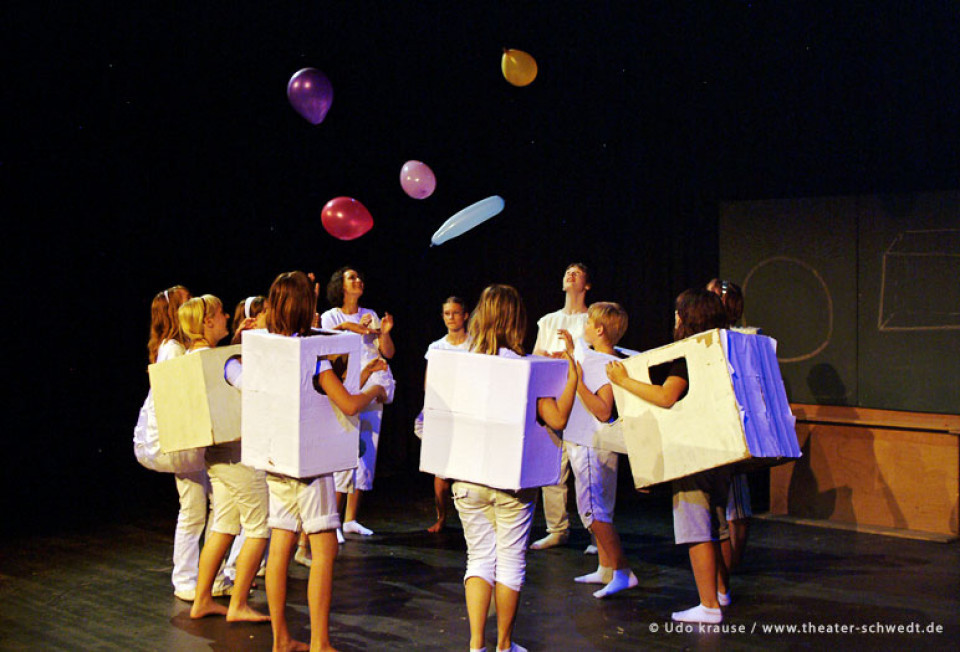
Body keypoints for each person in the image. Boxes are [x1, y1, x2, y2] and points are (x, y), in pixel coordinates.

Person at [236, 271, 386, 652]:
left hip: (276, 462)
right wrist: (375, 388)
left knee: (281, 546)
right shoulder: (313, 357)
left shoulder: (266, 349)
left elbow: (237, 375)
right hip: (311, 468)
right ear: (307, 307)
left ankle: (281, 638)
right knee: (323, 552)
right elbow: (349, 404)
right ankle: (319, 642)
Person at [440, 284, 578, 652]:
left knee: (479, 559)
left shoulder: (458, 363)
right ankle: (503, 644)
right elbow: (558, 418)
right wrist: (572, 374)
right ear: (517, 320)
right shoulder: (525, 369)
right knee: (510, 561)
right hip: (511, 484)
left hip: (468, 477)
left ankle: (475, 644)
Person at [606, 289, 731, 624]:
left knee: (696, 529)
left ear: (688, 318)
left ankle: (708, 606)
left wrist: (623, 380)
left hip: (694, 452)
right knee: (717, 525)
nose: (674, 319)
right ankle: (720, 592)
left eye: (678, 313)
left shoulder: (689, 355)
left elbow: (666, 397)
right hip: (721, 448)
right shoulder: (721, 350)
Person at [134, 285, 232, 601]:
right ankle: (189, 579)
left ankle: (208, 576)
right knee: (194, 509)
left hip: (185, 437)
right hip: (174, 438)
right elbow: (173, 399)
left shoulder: (178, 347)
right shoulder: (174, 349)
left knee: (205, 506)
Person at [182, 295, 270, 623]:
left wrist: (235, 345)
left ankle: (202, 598)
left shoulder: (196, 355)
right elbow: (250, 385)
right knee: (260, 527)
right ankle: (239, 604)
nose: (225, 319)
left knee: (224, 524)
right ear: (206, 322)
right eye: (220, 315)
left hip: (216, 454)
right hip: (237, 453)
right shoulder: (221, 361)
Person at [566, 302, 638, 598]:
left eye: (588, 324)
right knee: (599, 508)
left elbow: (603, 410)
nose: (583, 329)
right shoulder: (599, 356)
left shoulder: (602, 364)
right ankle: (606, 567)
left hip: (591, 444)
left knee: (593, 511)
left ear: (599, 329)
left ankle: (623, 571)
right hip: (586, 442)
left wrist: (578, 382)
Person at [320, 267, 396, 539]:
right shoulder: (331, 316)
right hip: (346, 388)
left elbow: (387, 351)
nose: (358, 280)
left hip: (372, 384)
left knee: (366, 452)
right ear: (340, 285)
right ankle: (333, 520)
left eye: (359, 277)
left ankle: (351, 518)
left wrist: (383, 332)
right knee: (343, 453)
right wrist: (350, 327)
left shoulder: (371, 314)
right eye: (351, 278)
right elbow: (324, 347)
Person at [530, 263, 592, 551]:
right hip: (554, 399)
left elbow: (596, 357)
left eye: (577, 273)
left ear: (586, 285)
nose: (570, 275)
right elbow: (537, 355)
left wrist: (570, 354)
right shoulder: (548, 321)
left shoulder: (592, 318)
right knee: (553, 468)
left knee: (585, 469)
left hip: (582, 399)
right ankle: (557, 528)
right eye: (567, 271)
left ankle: (596, 530)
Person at [707, 279, 753, 581]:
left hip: (733, 426)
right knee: (720, 503)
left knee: (736, 501)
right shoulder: (706, 338)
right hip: (712, 426)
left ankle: (731, 567)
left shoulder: (740, 339)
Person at [424, 296, 472, 533]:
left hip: (468, 412)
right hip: (443, 412)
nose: (451, 318)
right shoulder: (436, 347)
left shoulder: (475, 345)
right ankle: (441, 517)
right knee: (441, 474)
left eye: (455, 313)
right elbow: (428, 383)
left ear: (465, 315)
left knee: (466, 473)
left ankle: (470, 521)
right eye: (447, 313)